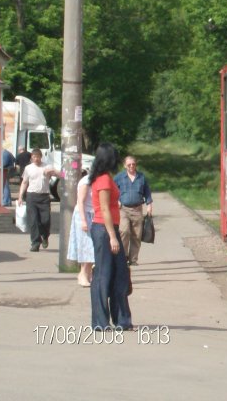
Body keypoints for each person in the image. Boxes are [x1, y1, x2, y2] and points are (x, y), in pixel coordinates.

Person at [89, 142, 132, 331]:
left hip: (107, 229)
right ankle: (101, 321)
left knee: (118, 274)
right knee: (103, 275)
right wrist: (113, 236)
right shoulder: (104, 180)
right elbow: (104, 208)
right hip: (104, 230)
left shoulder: (103, 177)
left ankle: (121, 320)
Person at [17, 149, 61, 252]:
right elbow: (24, 182)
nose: (36, 159)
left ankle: (45, 236)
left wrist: (54, 172)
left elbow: (62, 175)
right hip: (31, 196)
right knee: (33, 221)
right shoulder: (28, 168)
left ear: (41, 157)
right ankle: (35, 243)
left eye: (38, 157)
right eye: (34, 157)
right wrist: (20, 197)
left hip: (44, 197)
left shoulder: (47, 166)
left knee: (45, 220)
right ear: (31, 157)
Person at [114, 156, 153, 266]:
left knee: (136, 235)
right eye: (129, 164)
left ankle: (133, 260)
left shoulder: (141, 177)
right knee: (124, 231)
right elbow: (112, 191)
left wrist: (149, 205)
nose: (131, 166)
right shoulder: (119, 177)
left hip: (137, 209)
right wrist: (116, 200)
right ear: (124, 165)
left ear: (136, 164)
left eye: (133, 164)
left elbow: (147, 192)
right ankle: (123, 257)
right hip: (123, 209)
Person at [67, 170, 94, 287]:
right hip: (83, 215)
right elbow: (81, 201)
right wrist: (83, 220)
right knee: (86, 246)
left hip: (93, 215)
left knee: (92, 247)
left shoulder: (97, 180)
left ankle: (88, 273)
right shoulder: (86, 181)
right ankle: (83, 274)